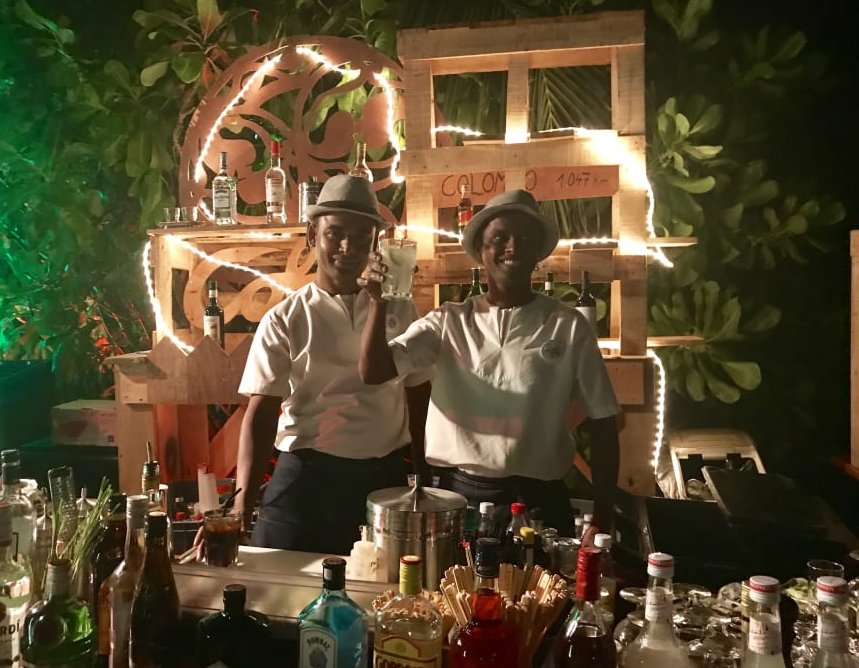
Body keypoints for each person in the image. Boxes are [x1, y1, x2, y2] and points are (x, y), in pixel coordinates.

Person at [359, 188, 621, 541]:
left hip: (540, 502)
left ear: (537, 252)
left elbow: (603, 422)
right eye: (500, 238)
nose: (513, 246)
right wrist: (378, 304)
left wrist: (602, 517)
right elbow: (374, 371)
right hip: (459, 499)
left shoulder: (567, 325)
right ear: (480, 251)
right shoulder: (449, 321)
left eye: (525, 238)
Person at [234, 174, 431, 554]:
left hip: (383, 478)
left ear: (375, 242)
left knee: (384, 585)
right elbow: (262, 412)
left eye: (361, 236)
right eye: (335, 233)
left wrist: (426, 477)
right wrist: (241, 504)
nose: (347, 246)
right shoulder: (286, 317)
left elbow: (419, 395)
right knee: (275, 577)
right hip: (305, 476)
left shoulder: (399, 308)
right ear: (313, 235)